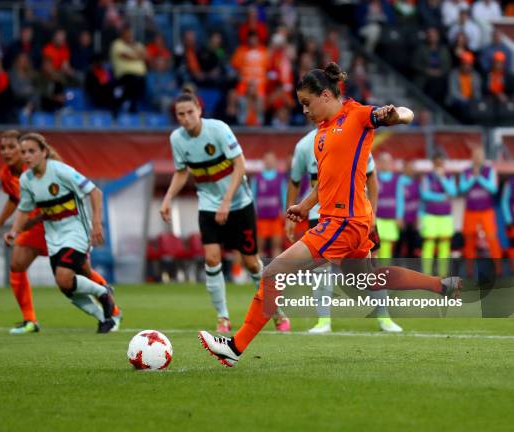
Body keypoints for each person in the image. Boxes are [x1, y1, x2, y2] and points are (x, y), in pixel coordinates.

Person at [198, 63, 462, 367]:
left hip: (345, 221)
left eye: (307, 103)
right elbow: (326, 184)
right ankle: (441, 286)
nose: (305, 111)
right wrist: (304, 206)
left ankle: (235, 346)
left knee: (273, 272)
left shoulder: (358, 115)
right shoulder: (321, 134)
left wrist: (396, 114)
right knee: (367, 280)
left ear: (326, 95)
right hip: (347, 220)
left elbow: (405, 114)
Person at [161, 91, 290, 334]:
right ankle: (223, 317)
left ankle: (276, 311)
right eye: (181, 114)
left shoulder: (218, 129)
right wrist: (168, 198)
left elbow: (239, 165)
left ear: (199, 109)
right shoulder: (176, 139)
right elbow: (181, 171)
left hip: (239, 203)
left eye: (190, 112)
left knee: (252, 263)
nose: (186, 118)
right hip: (208, 204)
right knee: (211, 258)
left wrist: (227, 201)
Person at [0, 132, 120, 334]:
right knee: (66, 287)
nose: (27, 156)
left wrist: (97, 224)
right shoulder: (27, 180)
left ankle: (102, 292)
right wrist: (14, 231)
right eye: (24, 152)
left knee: (64, 277)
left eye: (31, 151)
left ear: (44, 152)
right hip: (53, 236)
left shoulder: (61, 171)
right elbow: (24, 209)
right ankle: (104, 318)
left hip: (77, 231)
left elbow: (95, 192)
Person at [286, 129, 402, 334]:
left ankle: (385, 318)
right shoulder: (304, 145)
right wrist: (290, 216)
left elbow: (372, 178)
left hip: (357, 214)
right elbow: (294, 181)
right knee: (320, 269)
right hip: (319, 214)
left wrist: (373, 213)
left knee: (368, 268)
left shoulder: (356, 138)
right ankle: (323, 321)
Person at [459, 146, 501, 274]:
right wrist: (473, 178)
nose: (478, 158)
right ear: (472, 157)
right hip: (470, 211)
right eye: (475, 155)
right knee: (469, 240)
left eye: (480, 156)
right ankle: (469, 272)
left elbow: (493, 189)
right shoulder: (466, 172)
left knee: (492, 239)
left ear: (483, 157)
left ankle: (498, 270)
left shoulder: (490, 171)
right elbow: (462, 189)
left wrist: (480, 178)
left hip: (486, 211)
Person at [420, 150, 457, 277]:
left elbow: (452, 193)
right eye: (436, 163)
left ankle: (442, 274)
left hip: (446, 216)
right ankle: (426, 274)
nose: (438, 166)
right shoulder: (427, 177)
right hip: (430, 215)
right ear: (433, 164)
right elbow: (425, 194)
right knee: (429, 244)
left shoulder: (448, 177)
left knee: (444, 245)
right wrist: (442, 197)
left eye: (441, 163)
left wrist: (442, 178)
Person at [251, 152, 287, 260]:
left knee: (276, 245)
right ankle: (260, 271)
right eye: (267, 160)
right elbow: (252, 196)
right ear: (264, 161)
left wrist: (285, 210)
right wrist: (253, 212)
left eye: (271, 160)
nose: (269, 162)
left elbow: (284, 195)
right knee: (259, 246)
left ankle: (276, 272)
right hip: (261, 218)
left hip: (276, 217)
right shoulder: (257, 178)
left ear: (275, 162)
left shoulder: (280, 178)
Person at [375, 152, 401, 259]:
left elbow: (400, 199)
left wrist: (399, 215)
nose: (385, 164)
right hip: (376, 219)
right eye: (383, 161)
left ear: (391, 163)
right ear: (378, 163)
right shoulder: (374, 178)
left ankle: (385, 273)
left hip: (390, 219)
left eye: (387, 161)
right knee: (375, 248)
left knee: (387, 247)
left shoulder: (397, 179)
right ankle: (375, 273)